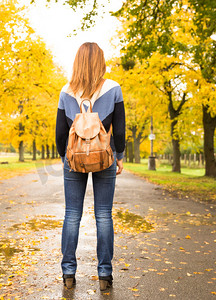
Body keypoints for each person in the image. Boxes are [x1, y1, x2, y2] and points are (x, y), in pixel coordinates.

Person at [55, 42, 125, 291]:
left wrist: (66, 157)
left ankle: (68, 273)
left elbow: (60, 133)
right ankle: (105, 274)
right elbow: (120, 126)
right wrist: (120, 155)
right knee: (104, 214)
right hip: (104, 158)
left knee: (72, 214)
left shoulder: (66, 91)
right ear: (100, 61)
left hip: (74, 160)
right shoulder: (114, 88)